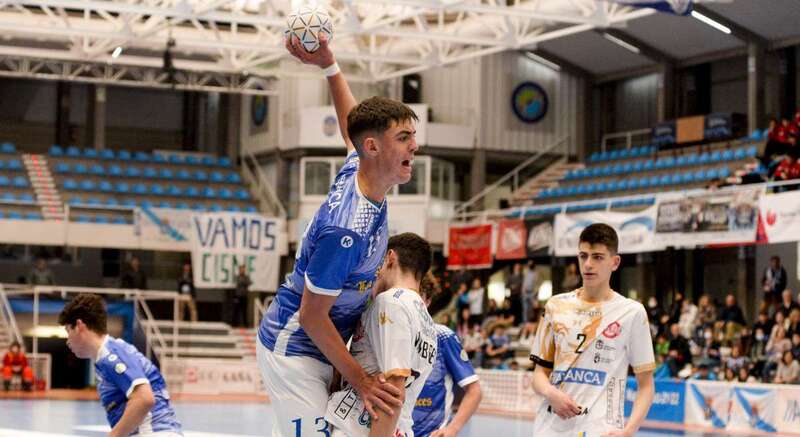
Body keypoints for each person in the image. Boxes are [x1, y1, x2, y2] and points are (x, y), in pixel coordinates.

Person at [257, 32, 418, 436]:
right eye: (404, 138)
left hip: (324, 350)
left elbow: (352, 123)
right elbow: (312, 316)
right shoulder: (345, 229)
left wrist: (329, 64)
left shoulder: (359, 167)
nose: (414, 147)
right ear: (374, 148)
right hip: (294, 349)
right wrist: (360, 380)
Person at [530, 223, 655, 437]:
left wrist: (629, 430)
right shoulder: (555, 306)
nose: (588, 264)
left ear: (614, 262)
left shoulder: (632, 312)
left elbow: (646, 386)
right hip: (550, 428)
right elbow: (539, 375)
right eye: (583, 256)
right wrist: (551, 393)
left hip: (601, 430)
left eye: (597, 257)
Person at [324, 233, 437, 437]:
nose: (377, 272)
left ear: (390, 258)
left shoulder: (392, 302)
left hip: (363, 428)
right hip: (398, 428)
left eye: (379, 263)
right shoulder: (427, 320)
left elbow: (393, 389)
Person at [58, 293, 182, 436]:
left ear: (79, 326)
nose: (68, 341)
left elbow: (144, 398)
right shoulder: (107, 357)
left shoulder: (111, 355)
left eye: (68, 331)